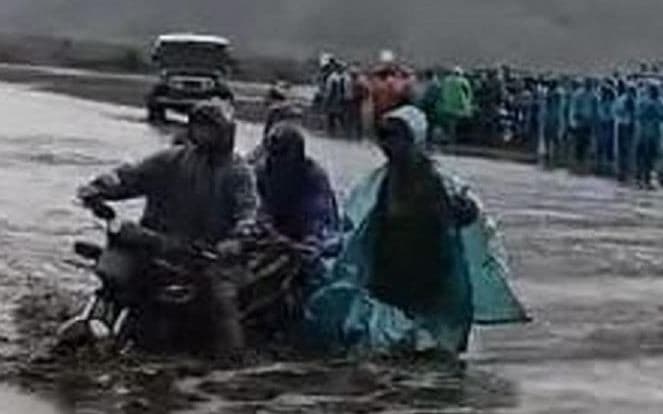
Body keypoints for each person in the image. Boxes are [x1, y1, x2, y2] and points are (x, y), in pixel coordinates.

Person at [303, 105, 528, 354]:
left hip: (432, 268)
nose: (388, 144)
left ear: (415, 138)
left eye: (396, 136)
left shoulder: (442, 184)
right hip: (390, 266)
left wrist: (467, 215)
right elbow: (355, 225)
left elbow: (476, 224)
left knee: (431, 344)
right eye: (385, 136)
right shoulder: (377, 185)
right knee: (389, 343)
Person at [78, 100, 258, 350]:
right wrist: (98, 188)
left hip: (205, 252)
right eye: (199, 127)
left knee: (221, 298)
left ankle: (232, 364)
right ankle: (96, 319)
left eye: (210, 128)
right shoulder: (172, 159)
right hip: (155, 242)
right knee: (115, 273)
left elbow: (249, 211)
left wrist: (238, 238)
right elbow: (131, 175)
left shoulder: (238, 172)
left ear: (226, 132)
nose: (203, 133)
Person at [256, 123, 339, 243]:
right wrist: (268, 229)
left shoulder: (314, 177)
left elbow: (320, 219)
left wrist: (310, 238)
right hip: (272, 236)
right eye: (272, 153)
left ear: (298, 155)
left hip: (306, 235)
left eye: (282, 153)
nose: (276, 159)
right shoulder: (262, 172)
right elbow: (258, 211)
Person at [635, 82, 663, 189]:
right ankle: (641, 179)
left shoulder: (658, 102)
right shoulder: (645, 102)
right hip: (645, 134)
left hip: (652, 134)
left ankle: (645, 179)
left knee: (649, 158)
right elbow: (639, 115)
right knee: (644, 157)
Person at [438, 66, 474, 144]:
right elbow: (469, 94)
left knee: (450, 123)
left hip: (446, 106)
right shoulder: (463, 81)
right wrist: (468, 105)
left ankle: (450, 138)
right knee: (457, 123)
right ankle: (455, 140)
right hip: (460, 107)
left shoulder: (446, 80)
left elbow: (441, 92)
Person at [570, 78, 598, 170]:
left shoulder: (593, 95)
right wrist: (574, 119)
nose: (589, 85)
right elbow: (574, 107)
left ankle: (584, 162)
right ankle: (578, 161)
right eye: (588, 83)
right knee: (579, 142)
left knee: (587, 142)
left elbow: (595, 109)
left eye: (590, 84)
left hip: (589, 122)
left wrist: (594, 120)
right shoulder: (578, 94)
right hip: (580, 121)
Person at [613, 84, 638, 181]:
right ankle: (622, 172)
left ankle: (626, 172)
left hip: (629, 126)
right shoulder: (622, 100)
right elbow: (617, 112)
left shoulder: (635, 100)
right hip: (623, 126)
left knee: (629, 150)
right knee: (623, 150)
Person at [596, 80, 618, 174]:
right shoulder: (600, 101)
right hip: (602, 122)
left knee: (608, 142)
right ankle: (601, 160)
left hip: (609, 122)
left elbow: (613, 113)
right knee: (601, 142)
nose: (605, 93)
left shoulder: (613, 101)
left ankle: (608, 160)